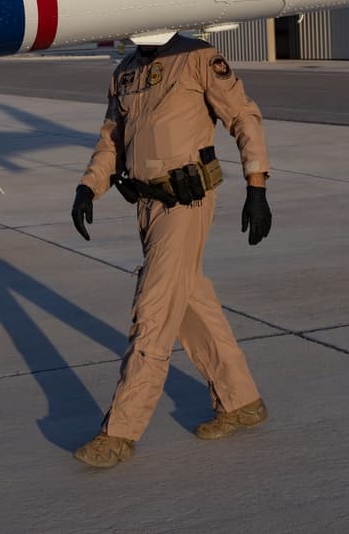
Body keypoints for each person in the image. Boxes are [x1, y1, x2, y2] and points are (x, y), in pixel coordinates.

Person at [69, 33, 273, 468]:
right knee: (190, 306)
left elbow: (243, 117)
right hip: (146, 206)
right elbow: (112, 138)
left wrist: (257, 186)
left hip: (187, 203)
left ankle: (120, 432)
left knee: (154, 311)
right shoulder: (125, 71)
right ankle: (241, 401)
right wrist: (89, 185)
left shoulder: (197, 57)